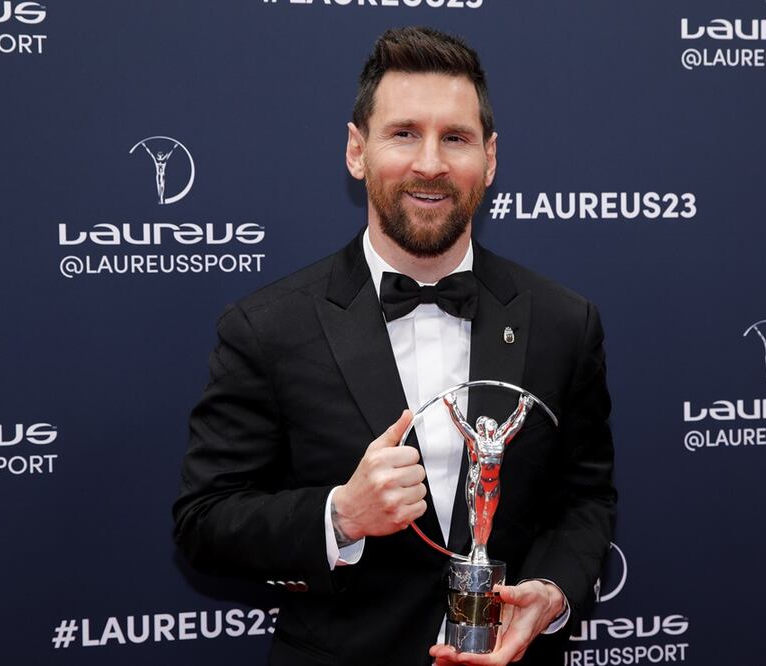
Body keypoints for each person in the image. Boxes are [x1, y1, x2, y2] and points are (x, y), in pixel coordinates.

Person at [173, 26, 616, 666]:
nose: (430, 162)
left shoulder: (563, 321)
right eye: (403, 133)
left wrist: (551, 591)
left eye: (456, 138)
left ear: (490, 159)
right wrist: (339, 516)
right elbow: (204, 522)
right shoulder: (267, 327)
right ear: (357, 151)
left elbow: (586, 499)